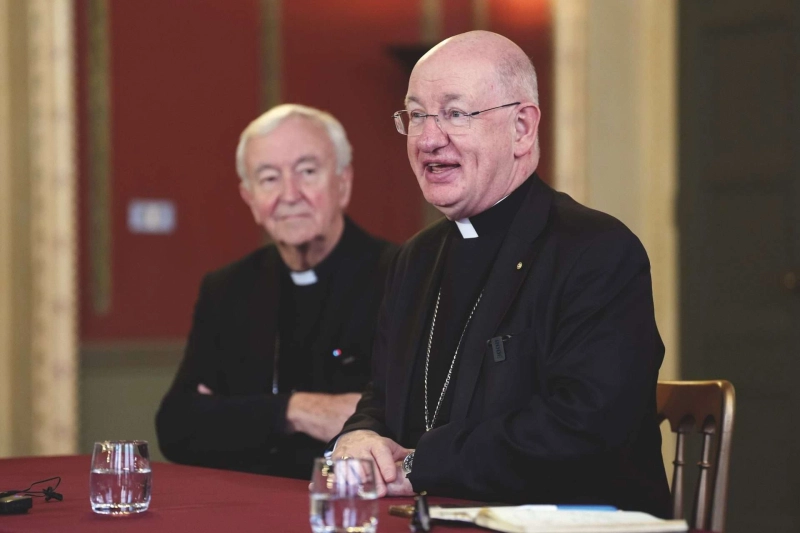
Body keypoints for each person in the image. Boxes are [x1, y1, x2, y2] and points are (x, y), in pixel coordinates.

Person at [332, 31, 671, 516]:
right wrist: (361, 434)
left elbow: (585, 428)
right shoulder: (415, 259)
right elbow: (383, 396)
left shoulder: (596, 251)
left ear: (522, 128)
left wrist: (419, 465)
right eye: (417, 115)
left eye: (455, 114)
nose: (428, 139)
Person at [156, 104, 397, 479]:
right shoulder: (227, 289)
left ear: (343, 183)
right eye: (269, 178)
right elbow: (177, 426)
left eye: (307, 172)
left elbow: (403, 422)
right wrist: (296, 410)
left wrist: (238, 416)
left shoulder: (399, 275)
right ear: (249, 198)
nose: (290, 194)